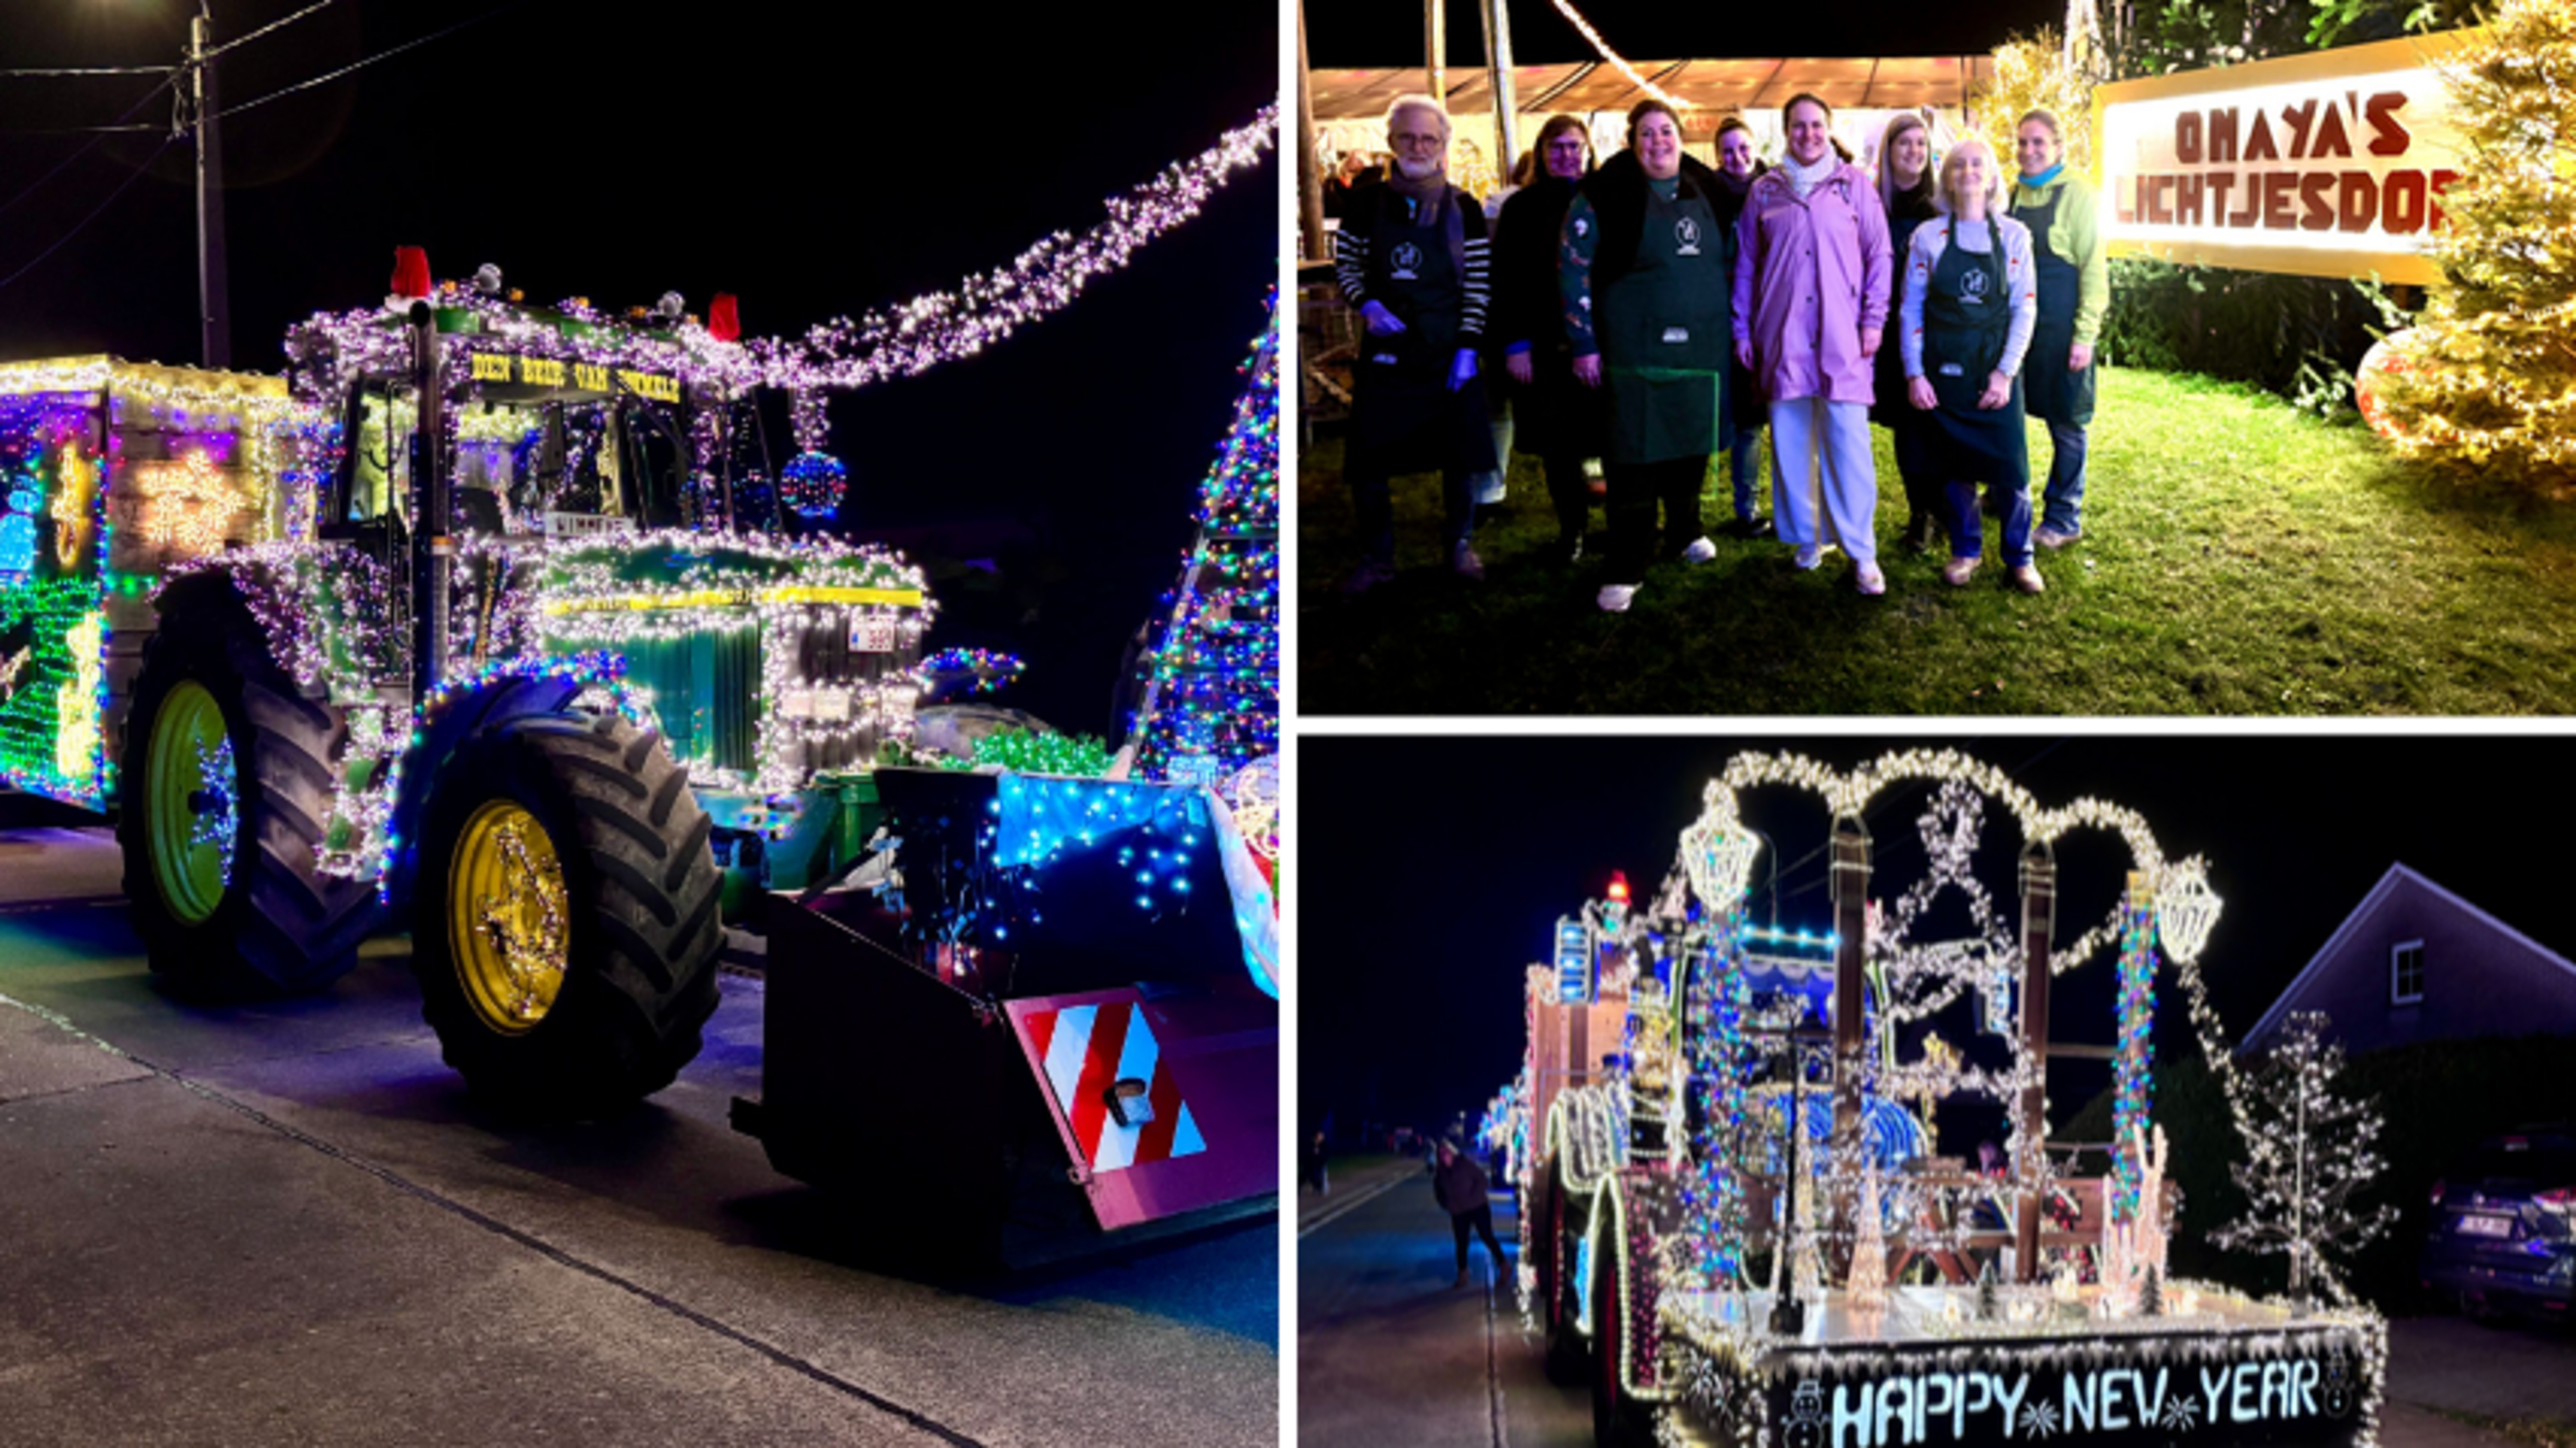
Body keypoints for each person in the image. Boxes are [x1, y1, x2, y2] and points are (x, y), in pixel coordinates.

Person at [1560, 99, 1731, 613]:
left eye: (1666, 132)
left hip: (1701, 349)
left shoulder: (1711, 192)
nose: (1658, 142)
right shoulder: (1602, 195)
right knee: (1633, 456)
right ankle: (1626, 563)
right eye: (1647, 135)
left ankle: (1684, 531)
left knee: (1690, 449)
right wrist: (1584, 342)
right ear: (1633, 144)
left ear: (1681, 138)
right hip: (1635, 352)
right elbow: (1573, 268)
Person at [1332, 96, 1497, 591]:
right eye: (1408, 137)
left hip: (1448, 352)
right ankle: (1379, 559)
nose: (1419, 146)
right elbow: (1348, 269)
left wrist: (1469, 349)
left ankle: (1459, 546)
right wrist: (1367, 306)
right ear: (1391, 142)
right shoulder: (1364, 204)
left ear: (1442, 144)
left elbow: (1478, 285)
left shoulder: (1463, 208)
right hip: (1387, 355)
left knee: (1460, 458)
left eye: (1429, 138)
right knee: (1369, 463)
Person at [1734, 93, 1893, 595]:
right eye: (1798, 126)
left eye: (1816, 125)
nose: (1808, 134)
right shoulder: (1763, 192)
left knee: (1848, 441)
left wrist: (1874, 319)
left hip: (1843, 335)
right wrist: (1742, 328)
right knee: (1791, 441)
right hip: (1781, 335)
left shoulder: (1854, 188)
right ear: (1786, 131)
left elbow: (1880, 257)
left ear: (1829, 129)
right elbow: (1744, 265)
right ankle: (1809, 537)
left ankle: (1862, 551)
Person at [1902, 136, 2044, 594]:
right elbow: (1910, 309)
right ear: (1946, 177)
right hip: (1944, 372)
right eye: (1959, 165)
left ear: (1993, 175)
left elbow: (2025, 309)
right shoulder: (1927, 237)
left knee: (2012, 471)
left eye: (1978, 163)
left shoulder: (2015, 236)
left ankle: (2020, 558)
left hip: (1994, 370)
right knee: (1954, 468)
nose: (1968, 171)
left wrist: (2005, 373)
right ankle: (1966, 552)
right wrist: (1915, 372)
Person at [1493, 115, 1609, 564]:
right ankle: (1572, 531)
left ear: (1588, 151)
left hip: (1600, 344)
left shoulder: (1603, 201)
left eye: (1575, 146)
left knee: (1612, 440)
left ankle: (1622, 527)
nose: (1567, 155)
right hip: (1543, 345)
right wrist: (1514, 342)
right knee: (1558, 448)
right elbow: (1506, 280)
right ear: (1543, 153)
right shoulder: (1521, 208)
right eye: (1557, 146)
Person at [2006, 109, 2108, 549]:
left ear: (2059, 147)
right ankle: (2004, 490)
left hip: (2062, 328)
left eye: (2039, 143)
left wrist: (2085, 335)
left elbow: (2094, 271)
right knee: (2007, 413)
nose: (2029, 151)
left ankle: (2064, 516)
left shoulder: (2081, 194)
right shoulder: (2011, 196)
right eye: (2023, 143)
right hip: (2018, 328)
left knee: (2066, 423)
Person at [1872, 112, 1946, 553]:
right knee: (1906, 424)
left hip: (1934, 331)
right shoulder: (1870, 203)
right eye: (1905, 143)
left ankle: (1947, 509)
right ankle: (1921, 512)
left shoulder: (1940, 204)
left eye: (1921, 143)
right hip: (1887, 330)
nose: (1914, 151)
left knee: (1937, 422)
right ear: (1889, 150)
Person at [1712, 116, 1774, 540]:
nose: (1737, 158)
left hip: (1769, 314)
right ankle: (1736, 506)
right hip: (1720, 316)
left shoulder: (1775, 190)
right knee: (1733, 414)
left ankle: (1755, 506)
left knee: (1762, 417)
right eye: (1728, 151)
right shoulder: (1706, 195)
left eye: (1743, 148)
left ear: (1755, 148)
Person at [1434, 1140, 1507, 1288]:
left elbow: (1482, 1180)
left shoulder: (1464, 1165)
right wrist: (1447, 1204)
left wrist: (1474, 1197)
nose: (1444, 1157)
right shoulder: (1441, 1174)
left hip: (1477, 1207)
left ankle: (1504, 1265)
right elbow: (1439, 1192)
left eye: (1446, 1153)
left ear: (1452, 1153)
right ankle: (1463, 1274)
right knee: (1461, 1242)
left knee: (1487, 1236)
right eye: (1441, 1155)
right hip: (1458, 1211)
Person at [1305, 1129, 1332, 1196]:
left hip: (1322, 1163)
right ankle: (1317, 1189)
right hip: (1314, 1164)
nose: (1320, 1137)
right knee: (1315, 1176)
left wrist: (1320, 1153)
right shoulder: (1312, 1144)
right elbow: (1309, 1153)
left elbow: (1326, 1153)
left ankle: (1324, 1190)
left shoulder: (1324, 1144)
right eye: (1319, 1136)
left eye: (1321, 1136)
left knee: (1323, 1176)